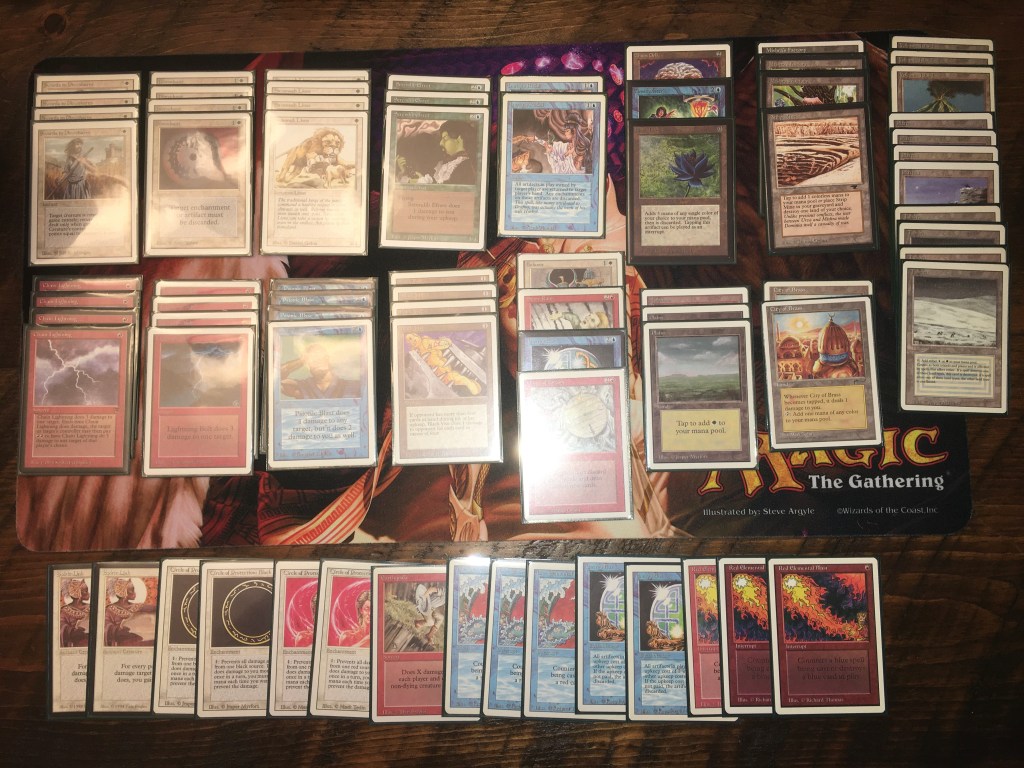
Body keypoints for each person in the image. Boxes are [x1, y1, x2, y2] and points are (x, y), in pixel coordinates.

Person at [279, 342, 359, 399]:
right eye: (312, 358)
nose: (317, 360)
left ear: (328, 359)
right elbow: (275, 379)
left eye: (320, 356)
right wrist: (301, 361)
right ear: (307, 364)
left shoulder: (352, 386)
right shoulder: (302, 388)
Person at [104, 579, 156, 647]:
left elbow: (154, 608)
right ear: (124, 593)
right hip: (121, 643)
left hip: (138, 639)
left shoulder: (137, 606)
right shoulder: (109, 610)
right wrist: (118, 630)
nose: (135, 593)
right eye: (132, 590)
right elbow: (105, 627)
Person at [59, 579, 90, 648]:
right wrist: (73, 632)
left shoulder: (91, 607)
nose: (88, 593)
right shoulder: (64, 611)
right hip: (75, 645)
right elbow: (61, 627)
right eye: (85, 591)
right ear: (77, 593)